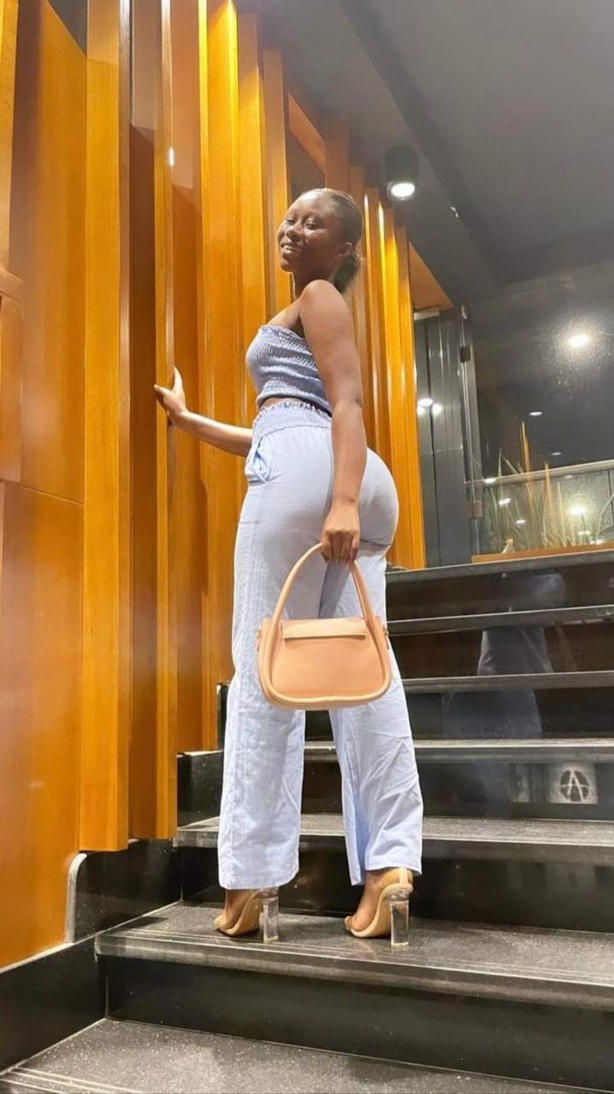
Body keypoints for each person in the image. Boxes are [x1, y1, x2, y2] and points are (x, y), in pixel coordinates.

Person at [155, 187, 423, 945]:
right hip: (337, 470)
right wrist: (189, 421)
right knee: (365, 669)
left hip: (328, 475)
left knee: (262, 668)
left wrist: (342, 501)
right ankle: (390, 870)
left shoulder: (318, 295)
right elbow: (280, 424)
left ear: (343, 251)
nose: (294, 228)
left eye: (315, 223)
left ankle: (250, 882)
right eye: (292, 216)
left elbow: (347, 403)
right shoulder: (305, 311)